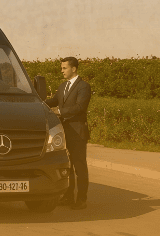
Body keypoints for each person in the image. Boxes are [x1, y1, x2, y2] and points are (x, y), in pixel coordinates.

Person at [45, 56, 91, 210]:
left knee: (79, 166)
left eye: (64, 68)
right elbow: (54, 100)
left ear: (74, 68)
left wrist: (59, 111)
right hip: (65, 132)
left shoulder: (83, 86)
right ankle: (69, 197)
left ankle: (82, 199)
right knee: (68, 166)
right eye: (62, 68)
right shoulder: (63, 86)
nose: (62, 71)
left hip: (77, 133)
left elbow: (80, 107)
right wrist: (38, 102)